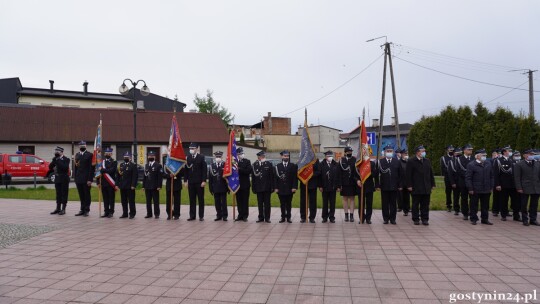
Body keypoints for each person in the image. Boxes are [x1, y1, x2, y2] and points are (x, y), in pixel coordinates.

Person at [406, 145, 436, 225]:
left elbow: (430, 173)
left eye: (424, 151)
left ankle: (425, 219)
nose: (424, 152)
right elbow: (408, 174)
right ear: (417, 152)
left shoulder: (427, 161)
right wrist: (409, 185)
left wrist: (433, 184)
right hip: (416, 187)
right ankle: (416, 219)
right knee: (416, 204)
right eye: (422, 151)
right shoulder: (411, 161)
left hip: (426, 187)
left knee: (425, 204)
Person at [465, 148, 493, 225]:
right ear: (477, 156)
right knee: (474, 205)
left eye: (485, 155)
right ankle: (473, 219)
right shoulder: (471, 165)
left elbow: (491, 176)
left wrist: (491, 186)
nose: (485, 156)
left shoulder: (488, 163)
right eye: (483, 155)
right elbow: (468, 178)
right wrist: (470, 188)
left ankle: (485, 219)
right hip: (475, 189)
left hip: (486, 188)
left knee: (485, 205)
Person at [513, 148, 540, 226]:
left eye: (532, 154)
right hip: (525, 187)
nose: (531, 156)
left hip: (536, 187)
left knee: (534, 204)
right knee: (524, 204)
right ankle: (525, 219)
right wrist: (519, 187)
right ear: (524, 155)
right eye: (529, 154)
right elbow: (517, 177)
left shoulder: (537, 164)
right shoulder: (519, 164)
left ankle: (533, 219)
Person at [378, 145, 402, 225]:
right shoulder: (381, 162)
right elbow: (377, 174)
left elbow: (400, 175)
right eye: (387, 151)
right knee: (385, 203)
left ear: (393, 152)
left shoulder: (397, 162)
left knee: (393, 203)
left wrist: (400, 185)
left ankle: (393, 219)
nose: (389, 152)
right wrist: (378, 185)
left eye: (390, 151)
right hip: (384, 186)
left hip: (394, 186)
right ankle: (385, 218)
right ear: (384, 152)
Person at [184, 143, 207, 221]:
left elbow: (204, 170)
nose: (191, 150)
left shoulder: (201, 157)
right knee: (192, 199)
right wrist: (185, 181)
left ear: (197, 149)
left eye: (193, 148)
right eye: (190, 148)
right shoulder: (188, 158)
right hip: (191, 182)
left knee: (200, 199)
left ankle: (201, 216)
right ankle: (192, 216)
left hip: (199, 182)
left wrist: (204, 181)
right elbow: (186, 170)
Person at [494, 146, 517, 222]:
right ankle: (503, 215)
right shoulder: (498, 161)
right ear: (504, 152)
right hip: (503, 184)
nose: (510, 152)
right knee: (504, 200)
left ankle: (516, 215)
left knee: (515, 200)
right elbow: (496, 174)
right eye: (508, 150)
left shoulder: (512, 160)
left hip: (513, 185)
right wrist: (497, 184)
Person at [274, 150, 298, 223]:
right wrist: (276, 188)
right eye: (285, 156)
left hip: (289, 189)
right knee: (282, 204)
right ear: (282, 156)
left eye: (287, 156)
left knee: (289, 204)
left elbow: (294, 177)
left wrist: (294, 187)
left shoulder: (292, 166)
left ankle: (289, 217)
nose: (286, 157)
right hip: (280, 189)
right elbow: (275, 178)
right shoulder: (278, 166)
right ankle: (283, 217)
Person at [319, 151, 341, 223]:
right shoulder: (321, 164)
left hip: (333, 187)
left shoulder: (336, 164)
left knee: (332, 202)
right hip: (324, 187)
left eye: (331, 156)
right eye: (328, 156)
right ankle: (324, 217)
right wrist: (320, 186)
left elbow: (338, 176)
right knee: (325, 203)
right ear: (325, 157)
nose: (329, 157)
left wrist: (338, 186)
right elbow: (320, 176)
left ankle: (332, 217)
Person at [252, 151, 273, 223]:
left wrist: (272, 187)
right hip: (258, 187)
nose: (263, 157)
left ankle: (267, 218)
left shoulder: (269, 164)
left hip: (267, 187)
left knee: (267, 203)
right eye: (261, 156)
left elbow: (271, 176)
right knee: (260, 203)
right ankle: (260, 217)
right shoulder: (255, 164)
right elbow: (253, 178)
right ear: (258, 157)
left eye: (263, 156)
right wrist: (253, 188)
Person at [74, 141, 94, 216]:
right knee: (81, 194)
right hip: (79, 178)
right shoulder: (77, 155)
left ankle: (86, 210)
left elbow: (91, 168)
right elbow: (76, 168)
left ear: (86, 146)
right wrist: (75, 178)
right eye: (81, 145)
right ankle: (82, 209)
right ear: (79, 146)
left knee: (86, 194)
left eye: (83, 145)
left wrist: (90, 179)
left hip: (86, 179)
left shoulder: (89, 155)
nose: (82, 146)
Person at [49, 146, 70, 215]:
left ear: (61, 152)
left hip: (64, 178)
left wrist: (57, 160)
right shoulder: (55, 159)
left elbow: (64, 168)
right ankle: (58, 208)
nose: (56, 153)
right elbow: (50, 167)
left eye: (57, 151)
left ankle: (63, 209)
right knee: (58, 194)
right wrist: (54, 160)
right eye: (55, 151)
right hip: (57, 178)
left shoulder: (66, 159)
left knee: (64, 193)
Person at [357, 154, 378, 224]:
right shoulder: (358, 163)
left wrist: (368, 171)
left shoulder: (372, 164)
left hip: (369, 185)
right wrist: (357, 180)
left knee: (369, 203)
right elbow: (354, 175)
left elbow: (375, 174)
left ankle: (368, 218)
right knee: (361, 203)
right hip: (361, 186)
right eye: (364, 155)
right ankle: (361, 218)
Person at [456, 144, 474, 220]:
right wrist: (468, 176)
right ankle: (465, 213)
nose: (471, 151)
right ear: (464, 150)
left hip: (472, 182)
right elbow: (459, 170)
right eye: (469, 149)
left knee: (473, 199)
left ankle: (472, 212)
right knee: (464, 198)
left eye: (471, 149)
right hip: (463, 182)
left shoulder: (473, 159)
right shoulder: (459, 159)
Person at [339, 146, 357, 222]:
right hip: (344, 182)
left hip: (352, 182)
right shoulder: (341, 160)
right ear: (345, 152)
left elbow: (356, 172)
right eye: (349, 152)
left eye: (351, 151)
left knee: (352, 199)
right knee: (345, 198)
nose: (350, 153)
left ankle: (352, 215)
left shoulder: (355, 160)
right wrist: (339, 184)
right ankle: (346, 215)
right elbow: (339, 173)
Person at [300, 158, 321, 223]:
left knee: (313, 202)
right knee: (303, 202)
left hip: (313, 184)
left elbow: (318, 171)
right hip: (304, 183)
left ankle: (312, 217)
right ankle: (303, 217)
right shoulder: (302, 158)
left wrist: (310, 175)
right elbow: (298, 171)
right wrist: (304, 177)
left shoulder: (315, 160)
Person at [209, 151, 228, 221]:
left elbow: (228, 177)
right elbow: (210, 178)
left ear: (222, 157)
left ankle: (225, 215)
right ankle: (218, 215)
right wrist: (210, 188)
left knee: (224, 202)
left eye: (219, 157)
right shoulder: (212, 165)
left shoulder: (225, 165)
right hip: (215, 187)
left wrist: (228, 188)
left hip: (223, 187)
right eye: (217, 157)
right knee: (217, 202)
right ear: (215, 157)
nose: (218, 158)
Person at [117, 151, 137, 219]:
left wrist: (133, 185)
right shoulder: (121, 165)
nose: (126, 158)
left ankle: (132, 213)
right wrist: (118, 184)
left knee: (131, 200)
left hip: (130, 186)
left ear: (130, 158)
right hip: (123, 186)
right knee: (123, 201)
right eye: (125, 157)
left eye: (127, 157)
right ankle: (125, 213)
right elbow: (118, 176)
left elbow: (135, 176)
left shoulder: (133, 165)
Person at [143, 151, 163, 219]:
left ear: (155, 157)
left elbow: (160, 177)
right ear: (148, 157)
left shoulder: (158, 165)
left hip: (155, 186)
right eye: (149, 156)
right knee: (148, 201)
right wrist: (143, 186)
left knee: (156, 201)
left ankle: (156, 214)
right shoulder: (146, 165)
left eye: (152, 156)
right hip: (147, 186)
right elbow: (144, 177)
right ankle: (149, 214)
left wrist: (159, 186)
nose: (150, 157)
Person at [99, 148, 117, 218]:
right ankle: (106, 211)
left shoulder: (114, 162)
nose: (107, 154)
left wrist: (103, 170)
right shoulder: (102, 162)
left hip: (111, 183)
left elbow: (112, 170)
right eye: (106, 153)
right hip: (103, 183)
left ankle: (111, 212)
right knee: (105, 198)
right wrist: (98, 182)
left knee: (111, 198)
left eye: (109, 153)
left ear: (111, 154)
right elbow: (99, 172)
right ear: (104, 154)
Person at [236, 147, 252, 222]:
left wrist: (239, 169)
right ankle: (240, 215)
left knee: (245, 200)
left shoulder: (247, 161)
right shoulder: (234, 162)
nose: (241, 155)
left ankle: (245, 215)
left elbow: (248, 171)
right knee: (239, 200)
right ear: (237, 155)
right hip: (236, 184)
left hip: (245, 184)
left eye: (242, 153)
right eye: (240, 154)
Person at [448, 147, 463, 215]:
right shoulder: (451, 161)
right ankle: (456, 209)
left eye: (460, 153)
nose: (459, 154)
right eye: (457, 153)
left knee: (464, 196)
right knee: (456, 196)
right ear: (454, 154)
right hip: (456, 181)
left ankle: (464, 209)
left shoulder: (463, 160)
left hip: (463, 181)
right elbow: (450, 173)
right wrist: (453, 182)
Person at [441, 145, 455, 212]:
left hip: (455, 178)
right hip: (447, 178)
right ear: (447, 150)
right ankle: (449, 205)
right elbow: (443, 168)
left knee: (456, 193)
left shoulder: (456, 157)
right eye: (450, 150)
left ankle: (456, 206)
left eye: (452, 150)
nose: (451, 151)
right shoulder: (443, 158)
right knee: (448, 192)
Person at [398, 148, 410, 216]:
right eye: (405, 154)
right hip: (402, 183)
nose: (406, 155)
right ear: (402, 154)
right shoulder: (399, 162)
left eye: (407, 154)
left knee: (410, 197)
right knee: (403, 197)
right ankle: (405, 209)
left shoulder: (409, 161)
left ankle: (409, 209)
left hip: (409, 182)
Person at [491, 148, 502, 217]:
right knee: (496, 197)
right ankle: (495, 210)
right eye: (499, 153)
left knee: (503, 197)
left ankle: (504, 210)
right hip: (496, 180)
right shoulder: (495, 160)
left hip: (503, 181)